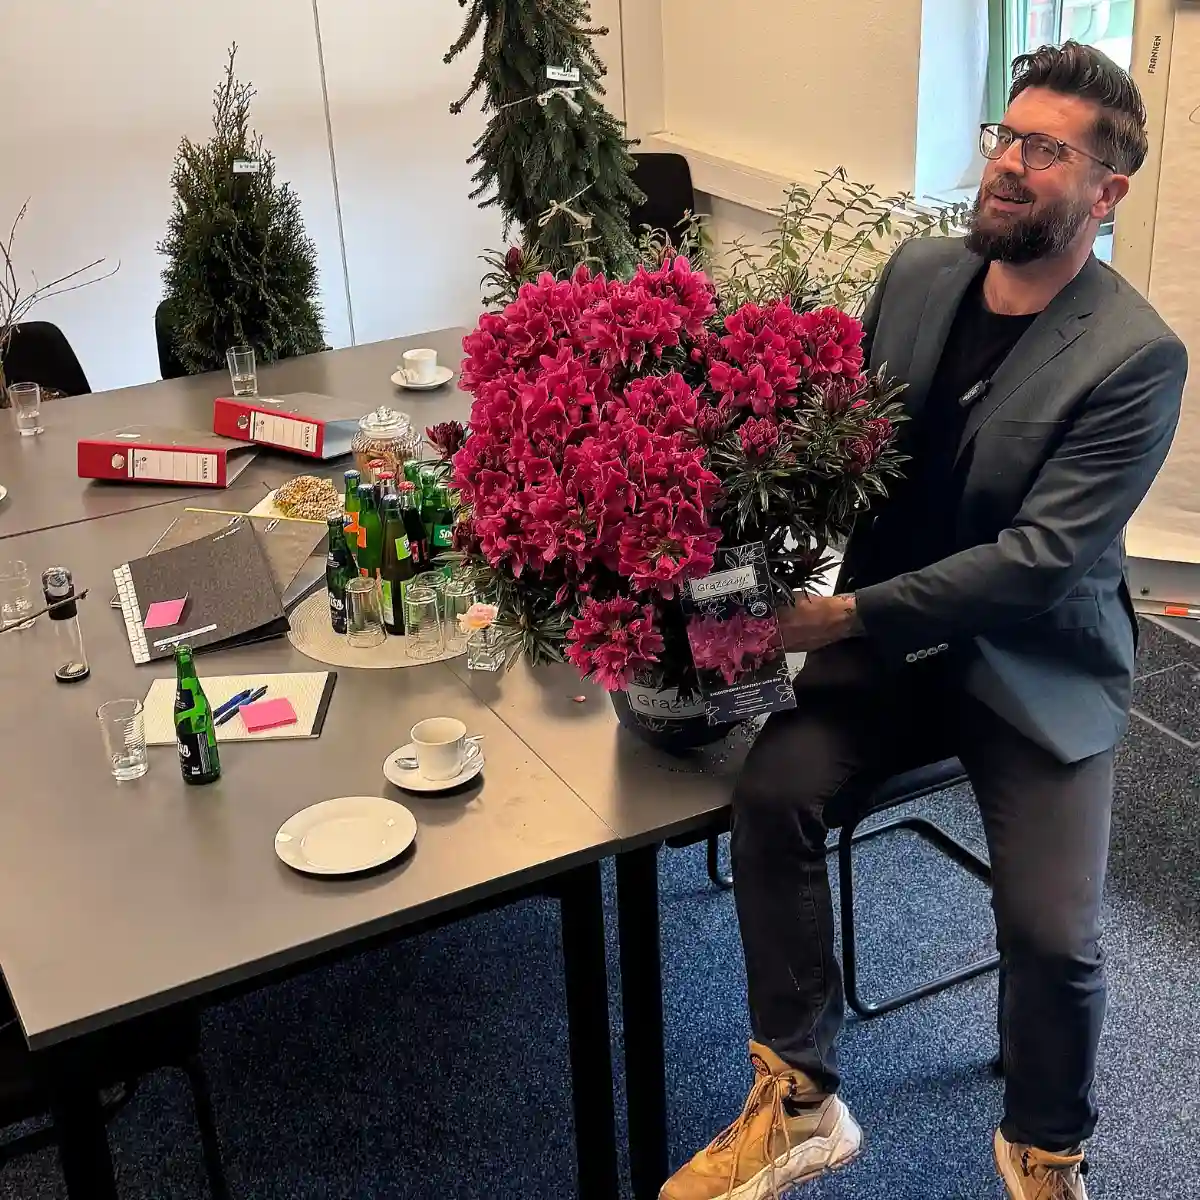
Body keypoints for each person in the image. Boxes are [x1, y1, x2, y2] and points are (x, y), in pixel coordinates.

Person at [662, 41, 1187, 1200]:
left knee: (1054, 932)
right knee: (773, 797)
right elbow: (844, 450)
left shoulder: (1137, 356)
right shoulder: (918, 272)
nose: (1008, 163)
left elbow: (1036, 566)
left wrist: (832, 616)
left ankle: (1044, 1148)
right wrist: (728, 523)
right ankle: (800, 1102)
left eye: (1045, 151)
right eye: (1005, 135)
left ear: (1106, 191)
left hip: (1033, 664)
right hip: (884, 651)